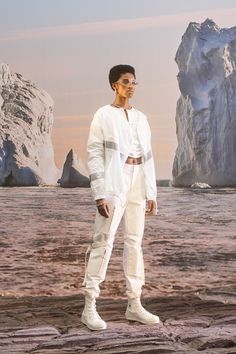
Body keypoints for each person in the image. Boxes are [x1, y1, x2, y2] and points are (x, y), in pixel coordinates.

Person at [81, 64, 160, 331]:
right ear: (115, 84)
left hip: (139, 180)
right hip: (116, 180)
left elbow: (148, 155)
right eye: (126, 81)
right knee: (103, 241)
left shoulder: (141, 117)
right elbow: (94, 154)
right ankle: (90, 305)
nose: (131, 86)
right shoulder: (103, 115)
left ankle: (134, 304)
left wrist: (151, 191)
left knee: (135, 243)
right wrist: (99, 193)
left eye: (134, 82)